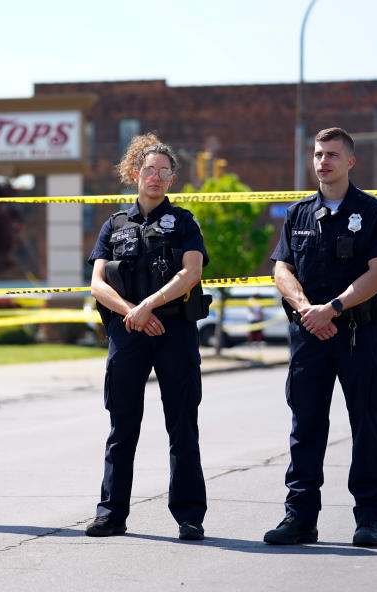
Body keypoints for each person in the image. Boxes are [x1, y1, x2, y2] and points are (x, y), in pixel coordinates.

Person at [264, 127, 377, 548]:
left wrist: (334, 308)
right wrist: (309, 310)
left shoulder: (376, 212)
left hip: (356, 333)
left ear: (350, 162)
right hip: (309, 335)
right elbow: (281, 269)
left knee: (365, 425)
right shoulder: (298, 213)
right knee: (305, 426)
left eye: (331, 155)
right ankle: (300, 518)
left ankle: (370, 521)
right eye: (317, 154)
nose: (322, 161)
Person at [85, 133, 209, 541]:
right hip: (128, 331)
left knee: (182, 425)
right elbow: (97, 284)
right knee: (122, 426)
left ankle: (189, 517)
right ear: (135, 174)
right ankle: (111, 514)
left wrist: (148, 306)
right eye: (149, 170)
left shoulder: (186, 222)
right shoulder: (113, 225)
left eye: (164, 171)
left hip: (174, 331)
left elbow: (191, 272)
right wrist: (132, 313)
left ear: (172, 179)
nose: (155, 177)